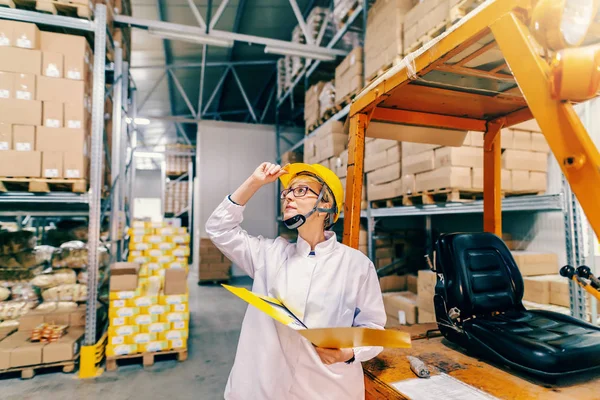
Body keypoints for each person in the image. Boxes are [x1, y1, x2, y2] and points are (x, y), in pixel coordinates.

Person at [205, 161, 386, 400]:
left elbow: (373, 328)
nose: (288, 197)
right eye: (287, 192)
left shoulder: (357, 265)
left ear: (325, 204)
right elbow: (219, 228)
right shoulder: (268, 255)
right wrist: (254, 182)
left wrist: (349, 352)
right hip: (263, 389)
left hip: (326, 390)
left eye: (300, 190)